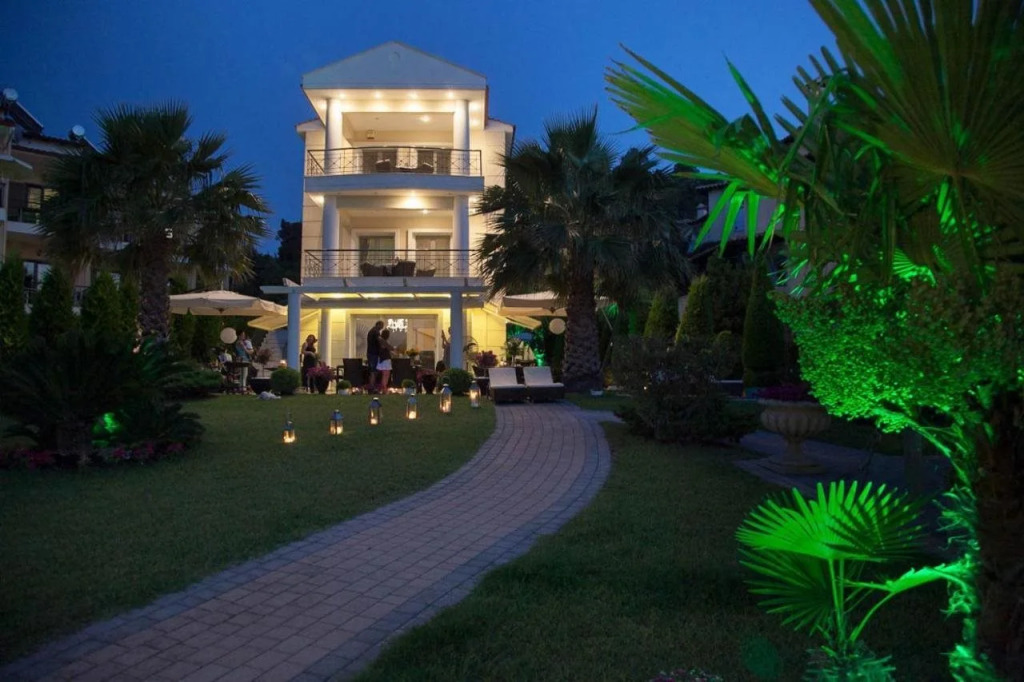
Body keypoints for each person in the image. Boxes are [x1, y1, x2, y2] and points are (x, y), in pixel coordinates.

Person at [366, 320, 384, 393]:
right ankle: (372, 387)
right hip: (373, 354)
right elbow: (380, 341)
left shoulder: (371, 331)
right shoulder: (375, 332)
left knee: (373, 371)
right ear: (378, 325)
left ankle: (371, 386)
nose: (382, 327)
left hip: (370, 353)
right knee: (374, 371)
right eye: (381, 326)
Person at [377, 328, 393, 393]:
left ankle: (384, 387)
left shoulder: (381, 340)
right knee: (386, 374)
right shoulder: (382, 341)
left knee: (385, 374)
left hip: (383, 359)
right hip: (385, 359)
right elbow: (389, 347)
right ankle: (384, 388)